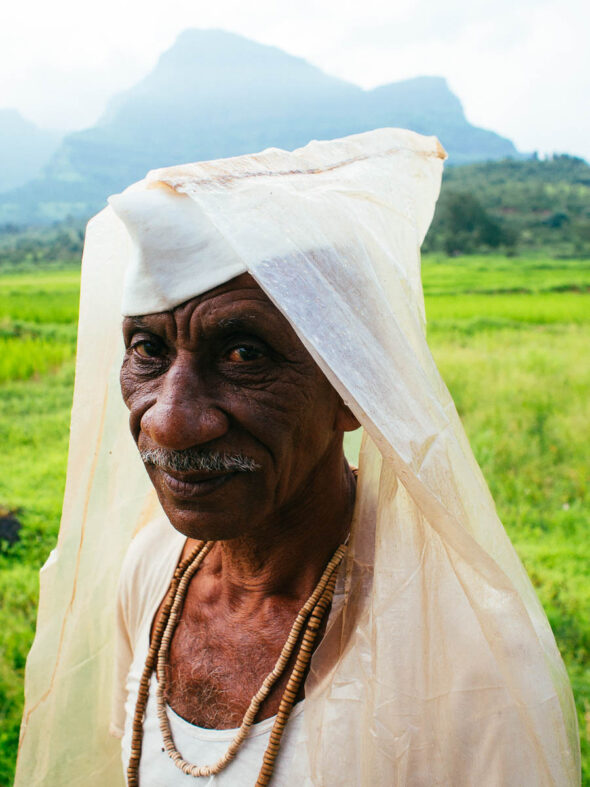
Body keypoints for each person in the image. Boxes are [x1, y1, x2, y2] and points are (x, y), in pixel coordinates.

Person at [16, 128, 580, 786]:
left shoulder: (473, 663)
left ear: (355, 389)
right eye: (147, 348)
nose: (169, 422)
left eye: (244, 354)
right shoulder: (150, 571)